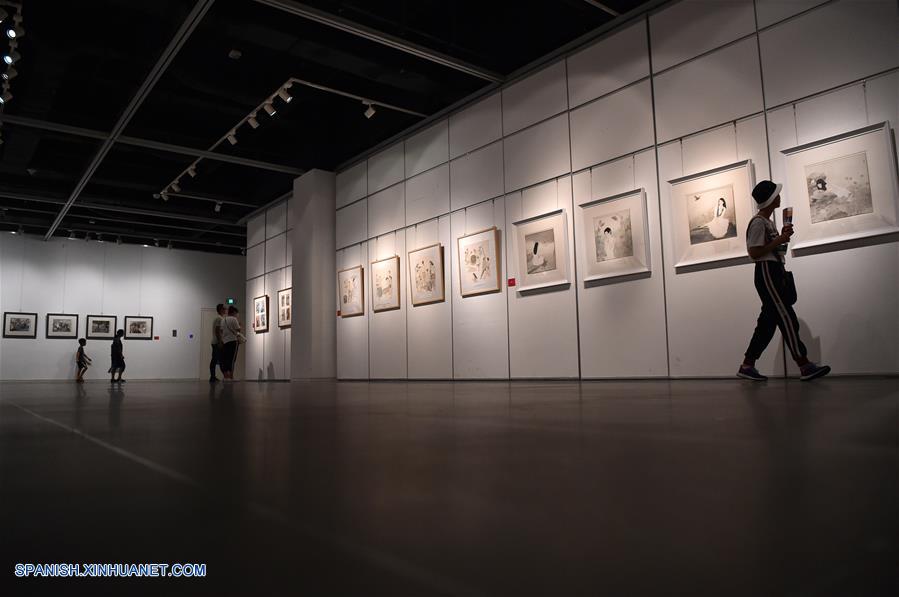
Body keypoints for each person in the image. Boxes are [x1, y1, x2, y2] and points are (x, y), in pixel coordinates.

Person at [738, 180, 830, 382]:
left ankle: (747, 364)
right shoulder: (758, 222)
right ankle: (804, 364)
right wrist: (779, 240)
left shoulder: (767, 222)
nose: (779, 197)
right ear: (771, 199)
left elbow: (772, 250)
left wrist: (781, 239)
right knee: (787, 316)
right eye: (776, 194)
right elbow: (754, 253)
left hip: (773, 270)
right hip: (767, 271)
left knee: (768, 322)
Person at [220, 306, 242, 381]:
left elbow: (221, 331)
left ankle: (226, 376)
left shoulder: (223, 320)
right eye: (236, 313)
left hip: (225, 341)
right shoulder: (234, 319)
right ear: (234, 312)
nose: (237, 315)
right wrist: (240, 325)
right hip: (233, 341)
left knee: (225, 359)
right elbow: (238, 329)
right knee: (232, 359)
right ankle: (231, 377)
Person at [209, 303, 226, 382]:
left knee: (215, 360)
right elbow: (217, 330)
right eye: (224, 308)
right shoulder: (219, 318)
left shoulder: (219, 318)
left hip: (215, 342)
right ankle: (215, 377)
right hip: (216, 342)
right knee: (218, 360)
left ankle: (213, 377)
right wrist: (220, 341)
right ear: (220, 310)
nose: (225, 310)